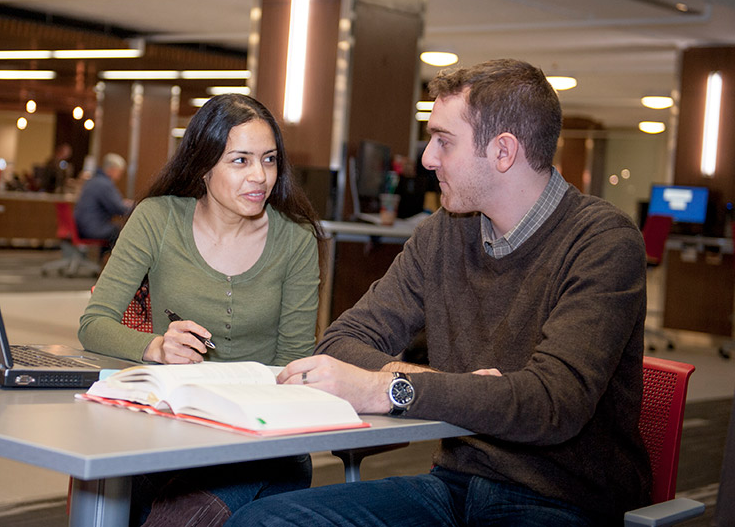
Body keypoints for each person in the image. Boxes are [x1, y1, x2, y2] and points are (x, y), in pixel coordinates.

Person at [227, 59, 651, 527]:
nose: (427, 158)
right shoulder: (446, 232)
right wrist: (443, 386)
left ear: (503, 152)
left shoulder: (604, 242)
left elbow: (551, 404)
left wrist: (388, 388)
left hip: (560, 500)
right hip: (454, 485)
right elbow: (341, 342)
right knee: (262, 521)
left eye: (444, 142)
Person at [78, 93, 324, 526]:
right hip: (169, 435)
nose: (260, 177)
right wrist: (155, 347)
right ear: (204, 165)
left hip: (260, 444)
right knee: (110, 493)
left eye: (269, 160)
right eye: (240, 161)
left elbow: (292, 364)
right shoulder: (157, 219)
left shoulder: (296, 239)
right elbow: (94, 325)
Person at [73, 152, 131, 246]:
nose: (119, 176)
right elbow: (118, 208)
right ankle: (113, 260)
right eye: (119, 172)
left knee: (115, 228)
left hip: (82, 226)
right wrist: (137, 208)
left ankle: (104, 258)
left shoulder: (94, 180)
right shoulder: (104, 184)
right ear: (112, 170)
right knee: (122, 230)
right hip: (92, 229)